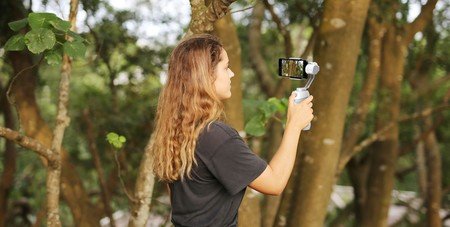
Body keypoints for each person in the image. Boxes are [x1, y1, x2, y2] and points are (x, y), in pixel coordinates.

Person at [150, 34, 314, 226]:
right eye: (226, 68)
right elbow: (275, 183)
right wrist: (294, 125)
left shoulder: (178, 131)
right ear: (207, 75)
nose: (232, 74)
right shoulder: (216, 136)